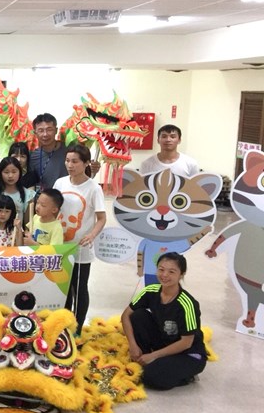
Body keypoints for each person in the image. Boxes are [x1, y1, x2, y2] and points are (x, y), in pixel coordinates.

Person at [121, 252, 206, 390]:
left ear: (182, 274)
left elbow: (186, 342)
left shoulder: (187, 304)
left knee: (150, 377)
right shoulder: (150, 291)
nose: (164, 275)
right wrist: (133, 345)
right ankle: (149, 358)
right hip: (165, 342)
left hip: (188, 353)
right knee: (137, 315)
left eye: (171, 271)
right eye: (161, 269)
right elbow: (126, 315)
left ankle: (187, 376)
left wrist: (153, 355)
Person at [54, 144, 107, 333]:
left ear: (86, 163)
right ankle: (64, 325)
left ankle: (77, 328)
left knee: (79, 287)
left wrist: (91, 235)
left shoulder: (93, 188)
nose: (70, 165)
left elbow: (102, 218)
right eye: (67, 160)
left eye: (75, 161)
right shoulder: (60, 183)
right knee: (63, 288)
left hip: (81, 247)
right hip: (60, 246)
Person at [0, 156, 35, 225]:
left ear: (20, 172)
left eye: (14, 172)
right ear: (0, 173)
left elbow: (27, 224)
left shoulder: (28, 195)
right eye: (6, 172)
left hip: (17, 234)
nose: (10, 176)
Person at [28, 113, 69, 191]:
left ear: (56, 130)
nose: (45, 134)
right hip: (43, 199)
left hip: (67, 197)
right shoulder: (32, 156)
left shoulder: (68, 150)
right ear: (35, 133)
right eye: (41, 130)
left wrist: (93, 169)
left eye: (49, 129)